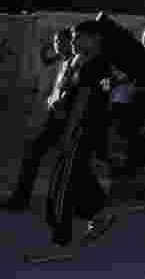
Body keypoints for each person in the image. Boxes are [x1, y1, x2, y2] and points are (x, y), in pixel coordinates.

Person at [45, 21, 118, 247]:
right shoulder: (85, 62)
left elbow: (83, 103)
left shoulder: (93, 65)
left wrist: (68, 134)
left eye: (78, 37)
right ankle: (98, 215)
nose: (73, 42)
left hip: (82, 127)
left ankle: (61, 238)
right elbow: (71, 93)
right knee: (76, 175)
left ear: (94, 38)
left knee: (64, 180)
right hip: (86, 127)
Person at [5, 28, 74, 212]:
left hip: (69, 121)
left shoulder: (76, 63)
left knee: (71, 163)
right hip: (56, 120)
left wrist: (57, 101)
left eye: (61, 41)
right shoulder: (63, 62)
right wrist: (51, 99)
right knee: (34, 155)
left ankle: (22, 200)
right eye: (56, 42)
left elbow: (72, 94)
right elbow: (59, 88)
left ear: (71, 42)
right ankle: (20, 200)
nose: (57, 45)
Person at [109, 25, 145, 177]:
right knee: (129, 129)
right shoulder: (137, 53)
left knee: (129, 128)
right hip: (133, 94)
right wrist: (114, 82)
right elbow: (128, 74)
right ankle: (134, 165)